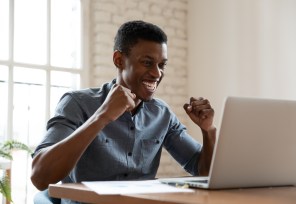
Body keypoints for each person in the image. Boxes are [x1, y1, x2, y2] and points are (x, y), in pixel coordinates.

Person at [31, 20, 216, 203]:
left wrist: (208, 131)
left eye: (161, 65)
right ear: (119, 60)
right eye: (147, 62)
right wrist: (101, 116)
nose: (157, 73)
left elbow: (204, 172)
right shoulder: (77, 103)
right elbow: (40, 177)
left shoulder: (162, 114)